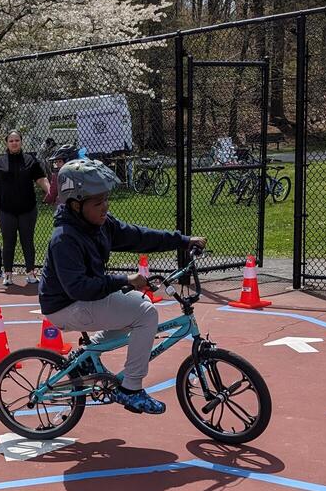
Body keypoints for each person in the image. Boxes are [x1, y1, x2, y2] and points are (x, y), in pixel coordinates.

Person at [38, 158, 206, 416]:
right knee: (145, 313)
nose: (105, 207)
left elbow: (139, 236)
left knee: (133, 309)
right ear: (75, 205)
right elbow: (79, 288)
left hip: (84, 298)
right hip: (66, 305)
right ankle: (131, 390)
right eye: (98, 203)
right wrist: (124, 280)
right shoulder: (65, 239)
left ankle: (85, 358)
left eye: (106, 199)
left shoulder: (99, 224)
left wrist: (183, 241)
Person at [0, 130, 50, 288]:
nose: (14, 143)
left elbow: (41, 178)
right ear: (7, 143)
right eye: (11, 140)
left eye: (17, 140)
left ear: (21, 142)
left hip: (28, 209)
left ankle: (31, 273)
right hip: (6, 210)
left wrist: (50, 192)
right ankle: (7, 274)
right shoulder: (0, 162)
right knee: (9, 241)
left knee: (28, 241)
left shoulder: (30, 160)